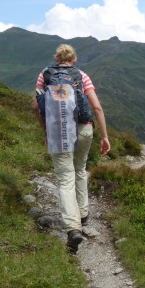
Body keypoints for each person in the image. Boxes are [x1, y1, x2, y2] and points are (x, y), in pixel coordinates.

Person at [33, 43, 111, 254]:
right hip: (83, 128)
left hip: (58, 130)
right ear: (74, 59)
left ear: (56, 59)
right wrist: (104, 136)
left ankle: (73, 229)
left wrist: (46, 131)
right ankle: (83, 215)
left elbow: (36, 107)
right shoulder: (81, 75)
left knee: (65, 178)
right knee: (80, 169)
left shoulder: (44, 75)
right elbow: (97, 107)